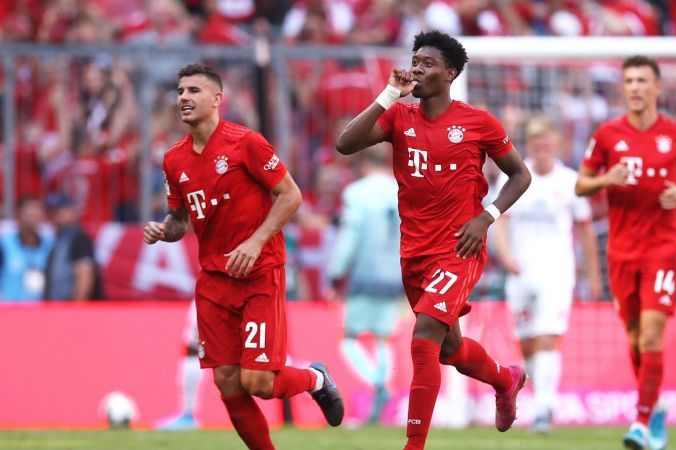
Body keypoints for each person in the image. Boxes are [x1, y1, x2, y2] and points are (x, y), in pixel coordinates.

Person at [336, 31, 532, 450]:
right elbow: (345, 144)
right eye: (415, 61)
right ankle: (505, 378)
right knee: (450, 350)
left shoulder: (478, 122)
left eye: (427, 64)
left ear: (450, 73)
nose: (418, 69)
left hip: (460, 246)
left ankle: (413, 445)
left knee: (424, 335)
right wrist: (389, 94)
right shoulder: (399, 116)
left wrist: (487, 217)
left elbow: (520, 175)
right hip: (414, 252)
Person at [143, 64, 343, 450]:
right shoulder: (174, 160)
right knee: (227, 382)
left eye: (194, 91)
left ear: (217, 99)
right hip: (214, 281)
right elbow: (180, 219)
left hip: (259, 272)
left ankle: (316, 378)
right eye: (180, 90)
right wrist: (163, 230)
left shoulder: (245, 142)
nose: (184, 97)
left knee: (259, 382)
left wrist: (255, 242)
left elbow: (291, 195)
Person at [575, 55, 676, 450]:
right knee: (633, 338)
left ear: (657, 87)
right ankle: (656, 406)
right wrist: (605, 179)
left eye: (641, 80)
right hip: (621, 250)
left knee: (651, 334)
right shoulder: (608, 134)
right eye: (628, 80)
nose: (634, 87)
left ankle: (642, 422)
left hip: (663, 247)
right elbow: (581, 185)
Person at [493, 116, 602, 434]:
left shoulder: (570, 181)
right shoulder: (515, 176)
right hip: (521, 273)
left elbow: (586, 230)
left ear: (556, 145)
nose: (541, 149)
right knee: (527, 344)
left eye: (546, 143)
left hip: (558, 272)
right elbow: (498, 218)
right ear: (529, 146)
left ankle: (543, 408)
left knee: (547, 338)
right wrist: (506, 255)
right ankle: (543, 400)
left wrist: (593, 275)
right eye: (536, 144)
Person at [327, 146, 404, 425]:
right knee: (383, 337)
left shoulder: (356, 193)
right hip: (395, 275)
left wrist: (336, 273)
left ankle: (377, 384)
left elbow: (350, 237)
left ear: (363, 165)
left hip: (365, 275)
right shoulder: (400, 190)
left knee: (348, 339)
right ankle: (379, 404)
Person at [43, 193, 102, 301]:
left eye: (61, 210)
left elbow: (85, 275)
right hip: (59, 309)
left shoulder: (79, 239)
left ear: (73, 212)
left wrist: (76, 310)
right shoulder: (57, 241)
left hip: (75, 311)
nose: (56, 215)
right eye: (53, 212)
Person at [156, 300, 203, 431]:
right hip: (244, 290)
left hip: (218, 290)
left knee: (193, 348)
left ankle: (188, 415)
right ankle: (187, 415)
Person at [0, 197, 53, 302]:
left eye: (37, 213)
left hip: (41, 310)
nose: (33, 216)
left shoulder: (50, 245)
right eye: (29, 213)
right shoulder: (5, 244)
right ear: (18, 215)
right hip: (10, 308)